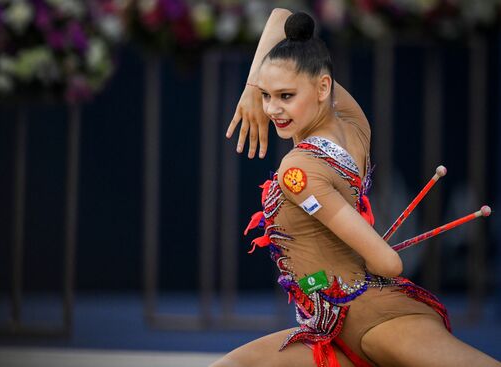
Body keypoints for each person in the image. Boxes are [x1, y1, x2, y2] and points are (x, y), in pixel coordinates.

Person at [211, 9, 501, 367]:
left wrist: (254, 88)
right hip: (328, 328)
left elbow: (388, 262)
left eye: (285, 96)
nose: (273, 109)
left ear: (322, 88)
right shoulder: (355, 123)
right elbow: (283, 18)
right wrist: (254, 89)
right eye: (269, 97)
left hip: (373, 321)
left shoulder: (297, 169)